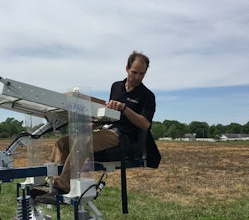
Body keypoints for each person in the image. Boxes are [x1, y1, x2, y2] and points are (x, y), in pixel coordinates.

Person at [32, 50, 157, 204]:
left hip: (123, 135)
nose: (137, 77)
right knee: (62, 143)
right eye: (134, 72)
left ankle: (62, 189)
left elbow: (145, 124)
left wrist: (125, 108)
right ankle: (52, 186)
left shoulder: (147, 96)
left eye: (141, 74)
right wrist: (91, 125)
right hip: (107, 128)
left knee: (83, 141)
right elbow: (108, 114)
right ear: (126, 68)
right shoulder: (116, 86)